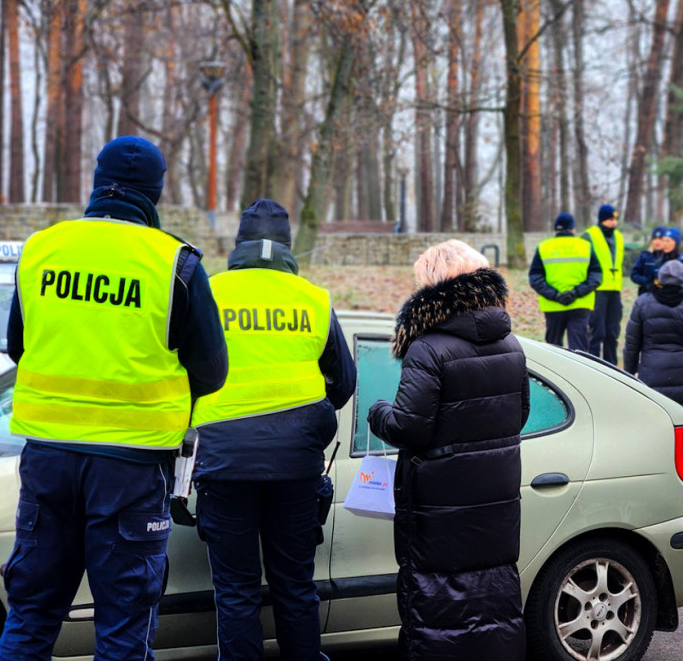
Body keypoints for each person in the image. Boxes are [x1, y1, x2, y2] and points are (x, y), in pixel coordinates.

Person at [0, 136, 229, 661]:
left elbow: (18, 345)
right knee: (123, 628)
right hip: (131, 467)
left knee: (30, 616)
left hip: (48, 458)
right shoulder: (176, 264)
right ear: (155, 193)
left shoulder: (41, 250)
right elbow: (212, 373)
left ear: (97, 183)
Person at [191, 199, 357, 661]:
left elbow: (182, 372)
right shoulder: (313, 299)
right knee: (294, 585)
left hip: (223, 463)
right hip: (296, 466)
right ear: (287, 248)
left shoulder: (209, 291)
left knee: (236, 591)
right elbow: (343, 384)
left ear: (238, 245)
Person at [368, 240, 529, 660]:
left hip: (440, 507)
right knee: (494, 595)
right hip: (495, 501)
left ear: (431, 287)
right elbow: (518, 414)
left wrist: (378, 412)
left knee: (437, 600)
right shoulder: (511, 346)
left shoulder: (428, 348)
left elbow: (409, 426)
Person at [622, 260, 683, 420]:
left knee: (656, 427)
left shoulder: (642, 304)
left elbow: (632, 345)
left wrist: (629, 375)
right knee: (682, 430)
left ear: (658, 280)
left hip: (652, 376)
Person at [529, 212, 602, 352]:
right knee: (580, 352)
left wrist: (555, 295)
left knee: (553, 350)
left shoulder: (544, 247)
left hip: (553, 306)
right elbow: (596, 276)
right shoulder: (585, 246)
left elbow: (535, 278)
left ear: (556, 229)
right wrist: (575, 293)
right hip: (580, 306)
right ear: (573, 229)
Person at [583, 203, 625, 364]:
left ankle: (612, 366)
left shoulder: (619, 237)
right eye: (610, 219)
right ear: (602, 219)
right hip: (597, 290)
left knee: (613, 332)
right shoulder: (589, 235)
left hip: (614, 291)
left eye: (615, 219)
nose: (614, 223)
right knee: (597, 332)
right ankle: (593, 364)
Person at [630, 225, 667, 295]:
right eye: (655, 239)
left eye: (660, 239)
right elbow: (634, 275)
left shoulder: (670, 257)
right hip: (646, 295)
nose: (657, 242)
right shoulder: (645, 255)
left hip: (664, 296)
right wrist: (647, 281)